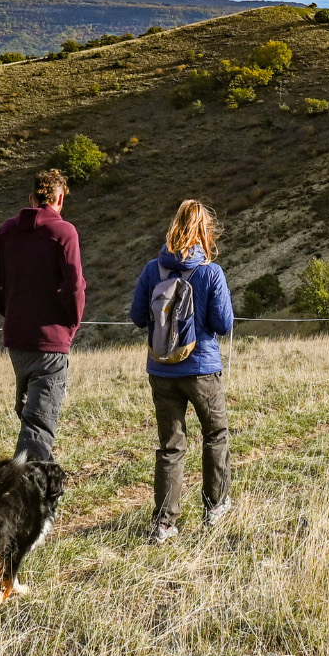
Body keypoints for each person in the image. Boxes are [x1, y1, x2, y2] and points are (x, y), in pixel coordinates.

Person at [129, 199, 235, 544]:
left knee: (170, 445)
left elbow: (136, 317)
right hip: (202, 368)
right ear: (205, 231)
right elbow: (223, 323)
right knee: (215, 434)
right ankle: (215, 506)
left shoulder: (151, 269)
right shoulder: (209, 272)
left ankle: (164, 523)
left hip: (161, 370)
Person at [0, 168, 86, 462]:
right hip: (50, 341)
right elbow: (75, 286)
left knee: (31, 417)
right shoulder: (64, 232)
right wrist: (71, 323)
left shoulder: (7, 231)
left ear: (31, 197)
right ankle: (26, 494)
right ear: (59, 198)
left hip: (17, 341)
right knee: (39, 426)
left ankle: (35, 480)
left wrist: (12, 310)